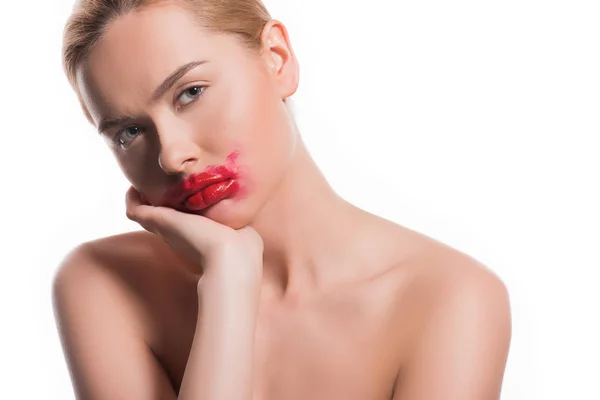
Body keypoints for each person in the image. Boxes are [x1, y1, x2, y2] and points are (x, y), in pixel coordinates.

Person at [52, 1, 512, 399]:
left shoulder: (448, 299)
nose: (173, 156)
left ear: (277, 58)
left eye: (190, 93)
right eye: (129, 132)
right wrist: (228, 282)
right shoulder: (105, 284)